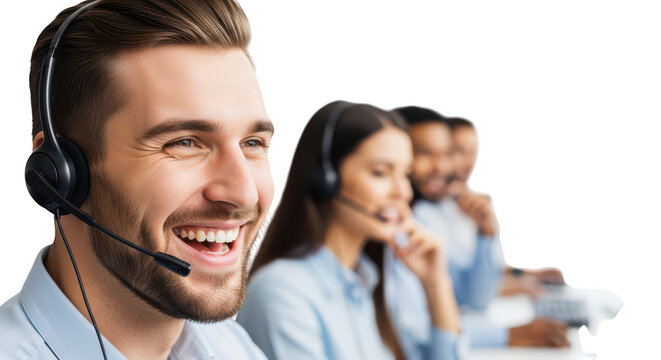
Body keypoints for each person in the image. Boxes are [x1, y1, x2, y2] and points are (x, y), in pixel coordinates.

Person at [0, 1, 274, 359]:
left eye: (252, 143)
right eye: (184, 143)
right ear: (59, 175)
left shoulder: (233, 349)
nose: (244, 193)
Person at [238, 101, 463, 359]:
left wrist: (436, 285)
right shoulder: (282, 292)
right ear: (327, 180)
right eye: (380, 173)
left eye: (405, 175)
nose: (404, 192)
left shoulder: (363, 280)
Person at [395, 106, 569, 348]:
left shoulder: (421, 221)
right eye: (424, 153)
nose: (442, 167)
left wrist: (486, 233)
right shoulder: (398, 229)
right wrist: (503, 335)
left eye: (446, 154)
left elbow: (472, 296)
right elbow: (412, 328)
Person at [448, 117, 565, 299]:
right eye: (459, 152)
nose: (468, 162)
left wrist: (527, 274)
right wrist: (517, 287)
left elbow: (493, 267)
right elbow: (464, 287)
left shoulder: (479, 204)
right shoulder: (431, 213)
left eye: (473, 153)